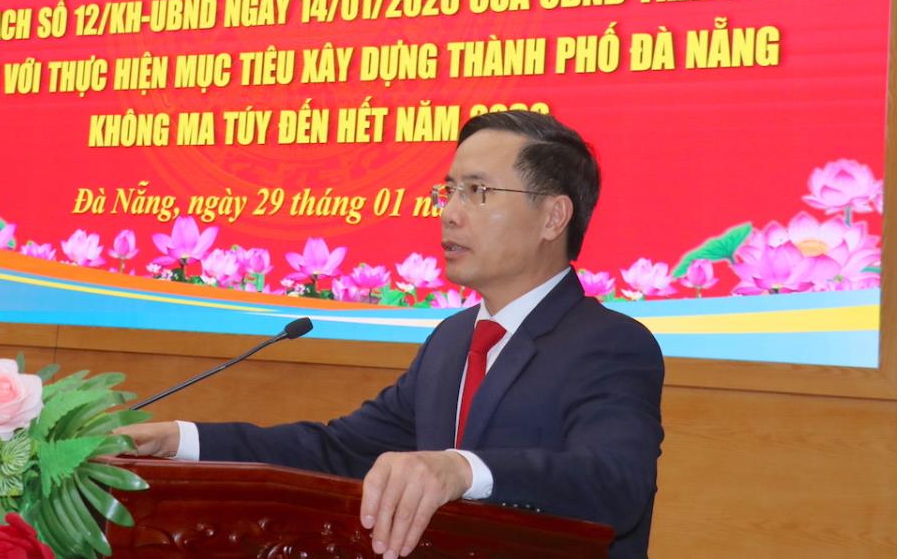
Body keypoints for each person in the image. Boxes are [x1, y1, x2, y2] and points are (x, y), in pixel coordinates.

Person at [119, 111, 664, 559]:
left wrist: (461, 469)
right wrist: (181, 441)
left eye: (477, 191)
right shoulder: (452, 341)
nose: (449, 214)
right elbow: (339, 450)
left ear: (553, 217)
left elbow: (615, 483)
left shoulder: (609, 344)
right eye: (448, 191)